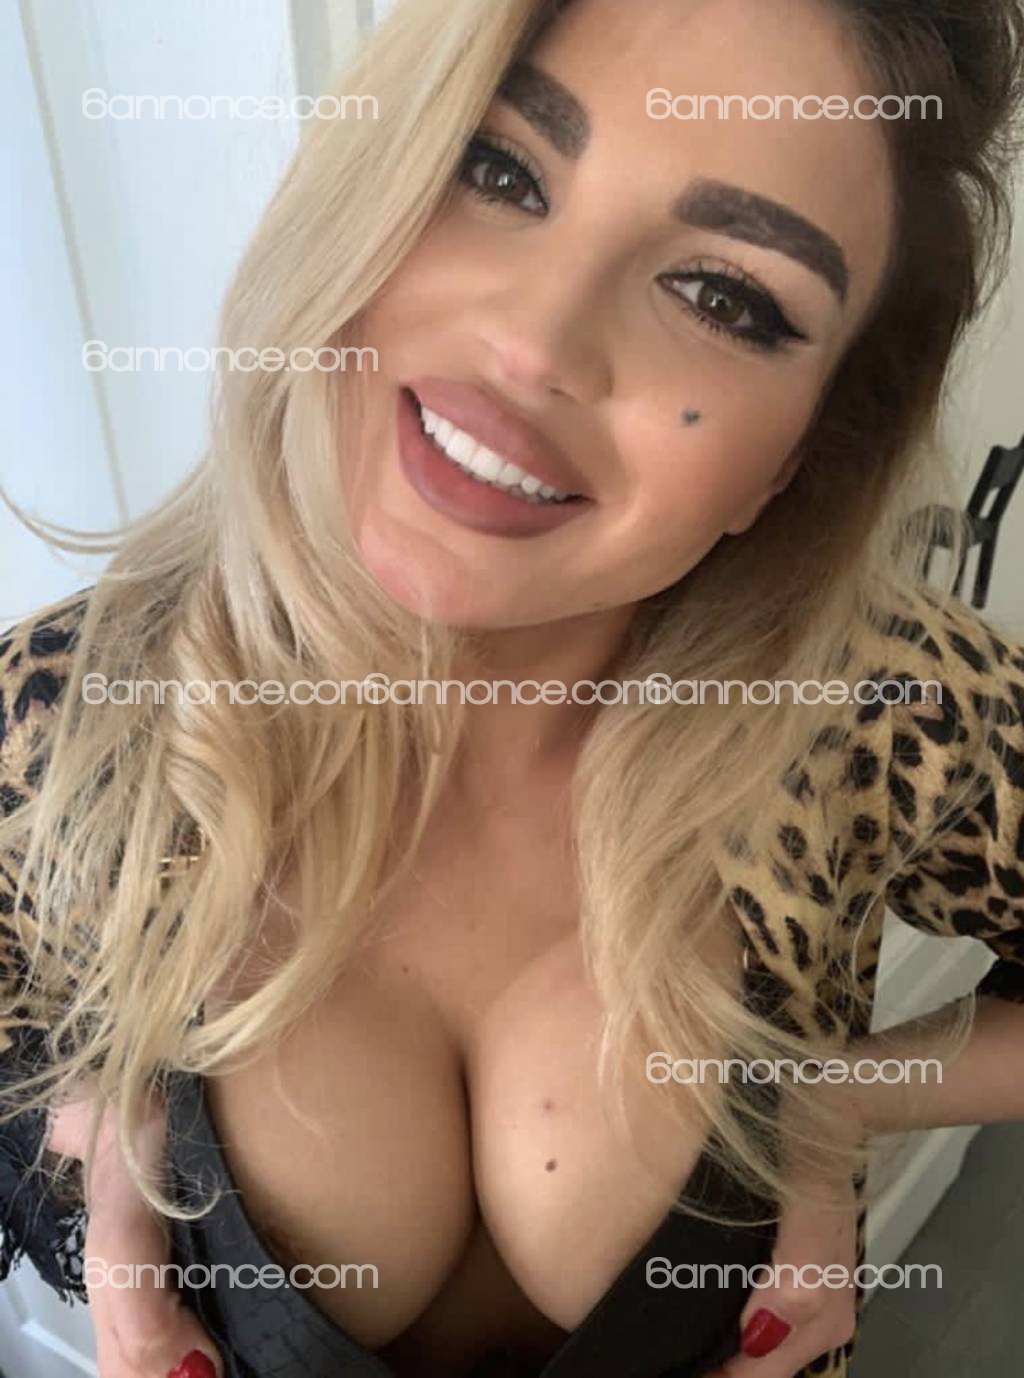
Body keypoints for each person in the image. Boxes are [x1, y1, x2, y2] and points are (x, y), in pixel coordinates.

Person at [2, 0, 1024, 1375]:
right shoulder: (74, 716)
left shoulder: (875, 708)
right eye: (498, 169)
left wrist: (843, 1098)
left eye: (724, 297)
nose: (538, 344)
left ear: (802, 456)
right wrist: (98, 1135)